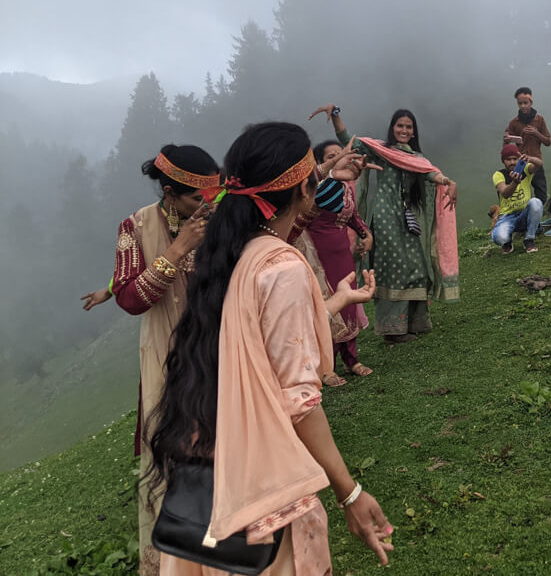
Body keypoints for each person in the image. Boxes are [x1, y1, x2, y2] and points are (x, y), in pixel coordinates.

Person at [146, 122, 393, 574]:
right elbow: (297, 402)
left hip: (216, 473)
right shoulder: (279, 265)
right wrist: (350, 494)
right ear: (304, 189)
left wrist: (336, 299)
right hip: (263, 492)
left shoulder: (230, 253)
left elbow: (258, 345)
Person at [100, 144, 219, 575]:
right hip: (165, 355)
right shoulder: (136, 226)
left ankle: (227, 545)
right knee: (173, 455)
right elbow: (131, 300)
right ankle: (179, 556)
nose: (205, 205)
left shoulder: (215, 218)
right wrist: (178, 248)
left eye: (211, 195)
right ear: (169, 192)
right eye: (194, 198)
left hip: (218, 350)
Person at [309, 103, 459, 344]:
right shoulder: (382, 150)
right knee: (393, 267)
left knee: (417, 266)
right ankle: (392, 329)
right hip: (385, 217)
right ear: (393, 128)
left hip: (406, 218)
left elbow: (430, 173)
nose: (404, 130)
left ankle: (416, 322)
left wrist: (448, 181)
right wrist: (336, 115)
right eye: (400, 125)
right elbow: (350, 140)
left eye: (409, 127)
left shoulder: (416, 157)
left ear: (414, 131)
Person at [292, 139, 374, 386]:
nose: (340, 157)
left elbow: (353, 216)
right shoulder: (318, 190)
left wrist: (366, 234)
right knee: (326, 306)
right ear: (322, 162)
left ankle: (352, 359)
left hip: (343, 253)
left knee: (348, 303)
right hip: (320, 253)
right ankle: (327, 367)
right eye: (332, 155)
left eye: (342, 153)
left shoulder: (345, 188)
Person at [492, 143, 543, 253]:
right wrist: (515, 182)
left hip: (524, 213)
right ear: (503, 161)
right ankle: (507, 241)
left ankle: (529, 239)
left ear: (519, 158)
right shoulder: (499, 175)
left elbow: (539, 164)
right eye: (508, 159)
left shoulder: (526, 169)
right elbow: (505, 193)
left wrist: (531, 159)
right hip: (507, 216)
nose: (512, 162)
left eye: (515, 159)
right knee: (499, 237)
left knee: (536, 202)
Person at [503, 86, 551, 204]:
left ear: (531, 102)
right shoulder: (514, 123)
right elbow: (506, 146)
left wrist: (536, 133)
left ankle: (536, 220)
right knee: (519, 196)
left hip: (536, 162)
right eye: (520, 103)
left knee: (541, 196)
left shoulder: (539, 120)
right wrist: (506, 139)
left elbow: (548, 142)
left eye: (526, 102)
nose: (523, 106)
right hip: (520, 162)